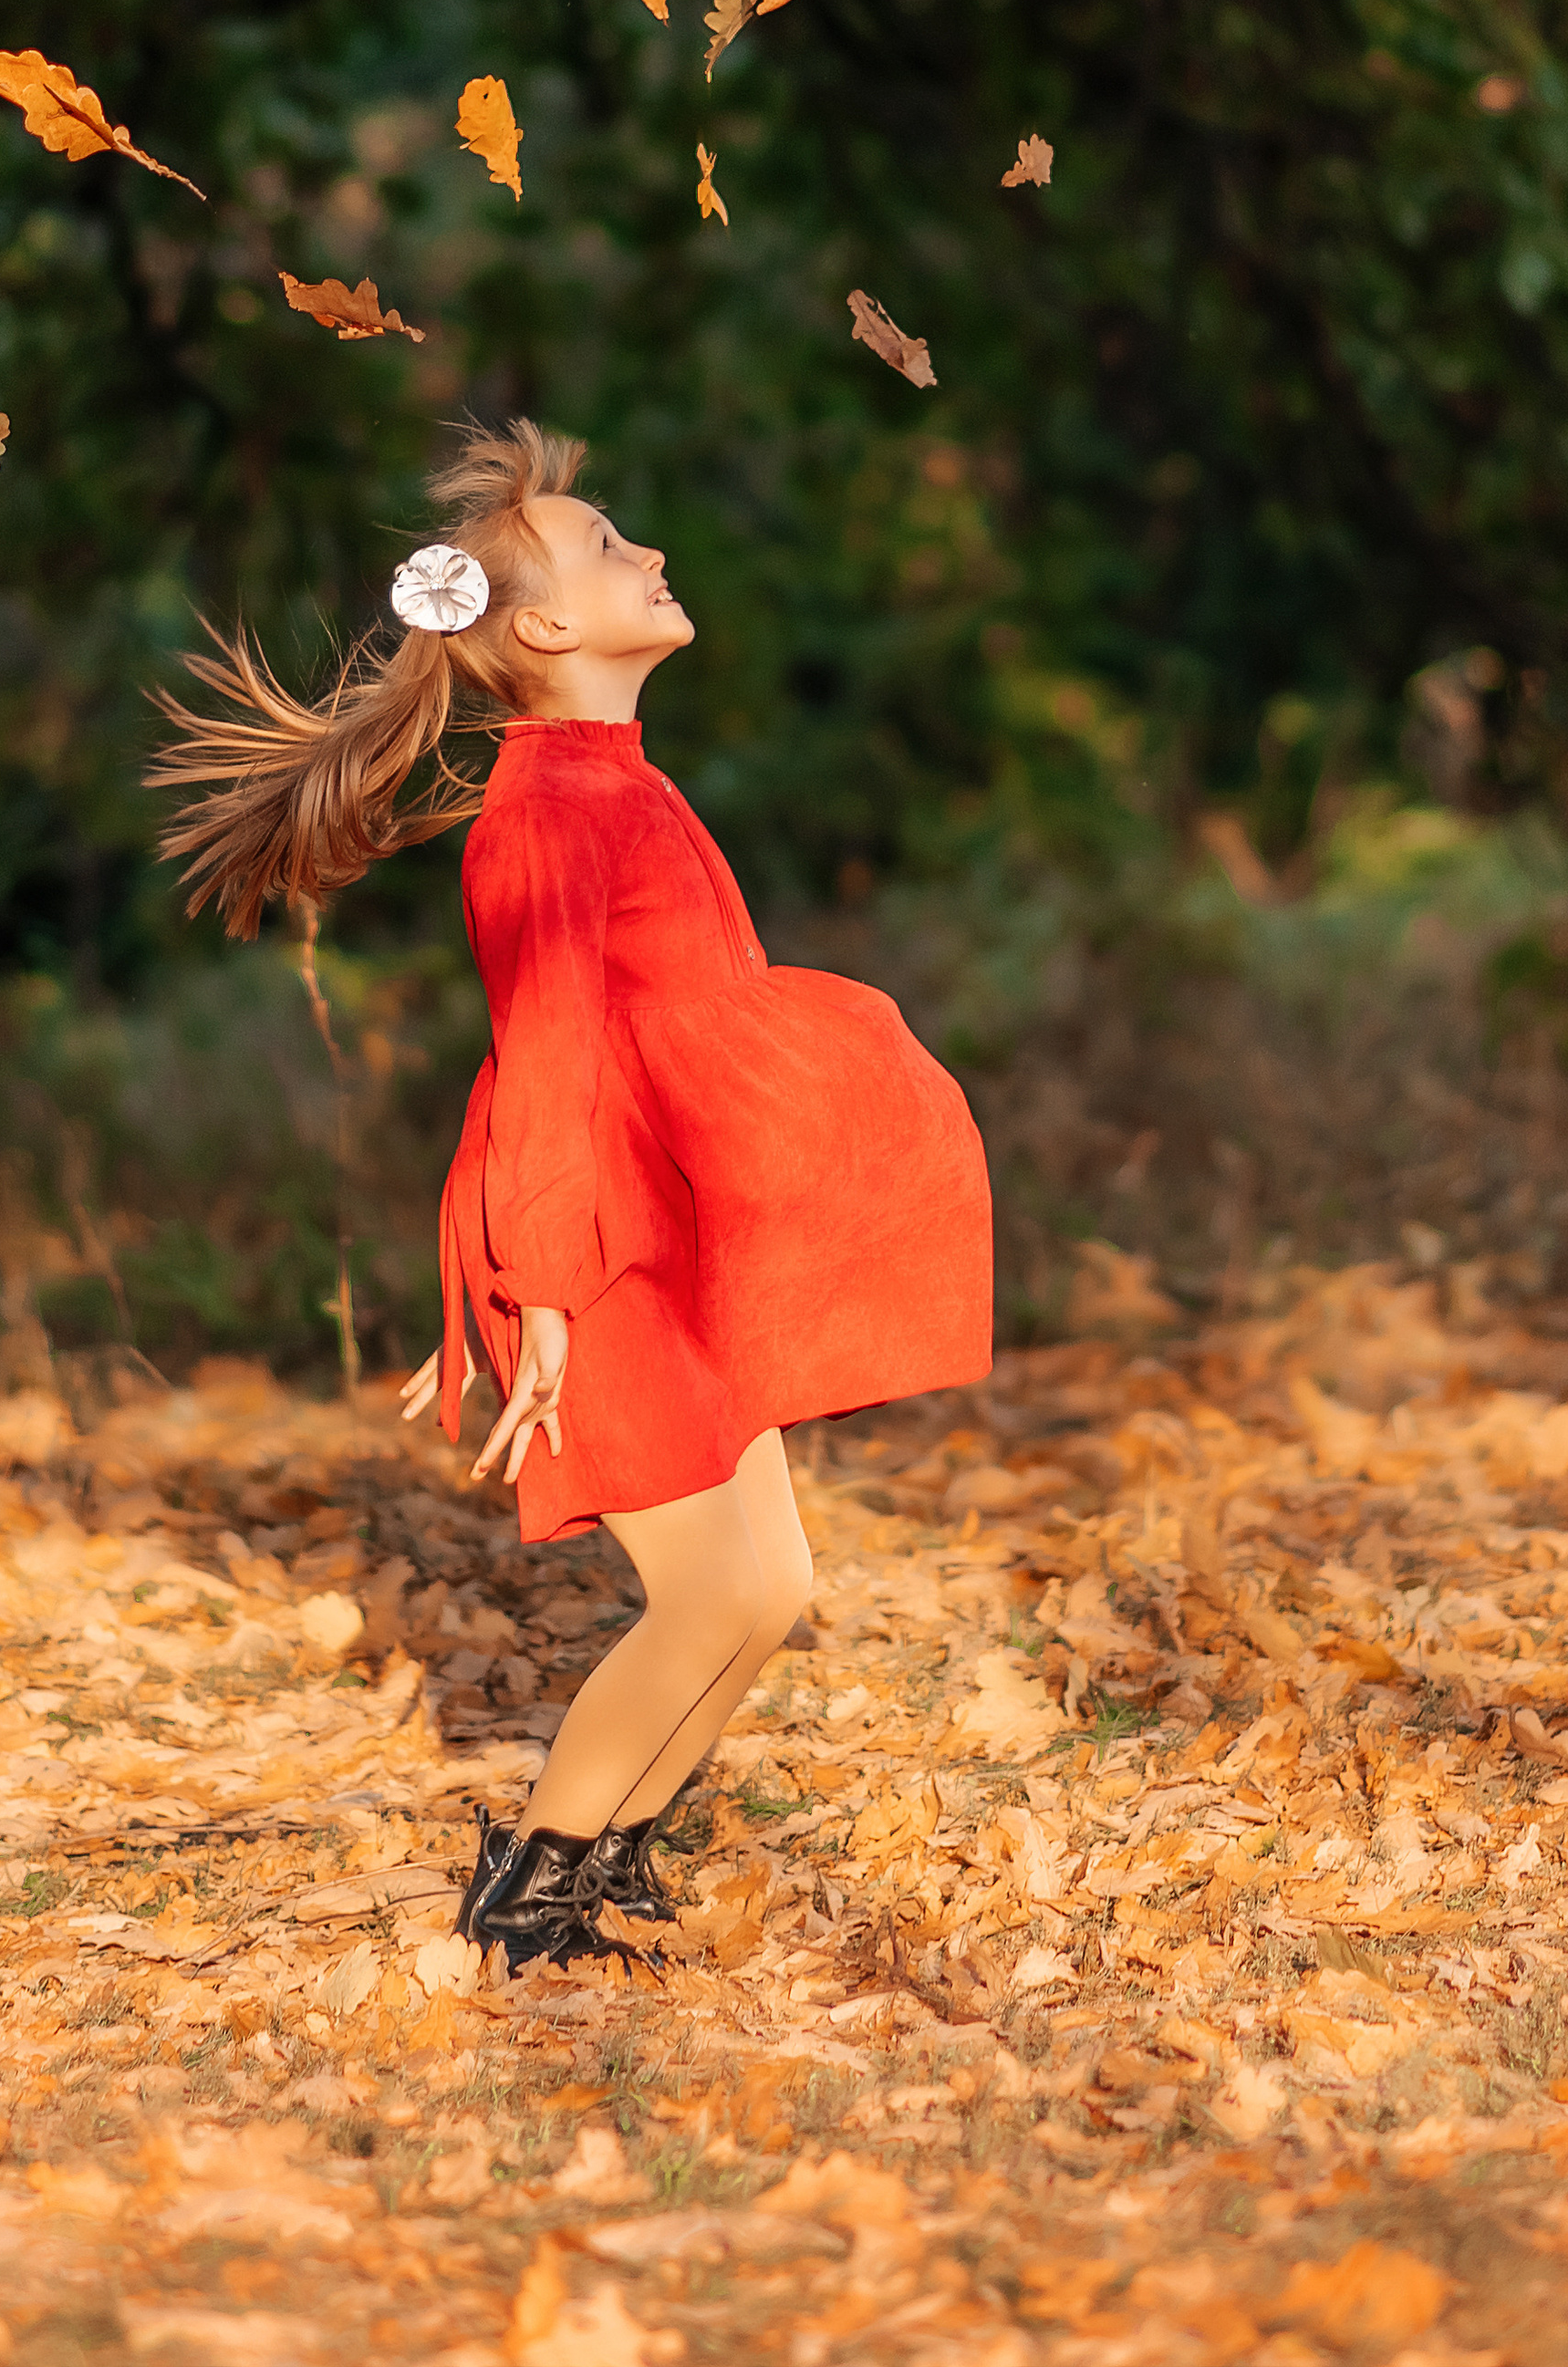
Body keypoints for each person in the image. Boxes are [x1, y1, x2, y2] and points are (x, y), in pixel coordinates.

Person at [151, 420, 992, 1969]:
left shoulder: (610, 781)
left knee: (768, 1589)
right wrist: (541, 1295)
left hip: (656, 1229)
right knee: (702, 1597)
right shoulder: (542, 815)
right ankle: (530, 1890)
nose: (652, 555)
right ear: (542, 630)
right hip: (588, 1235)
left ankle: (609, 1857)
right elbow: (545, 1065)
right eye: (613, 548)